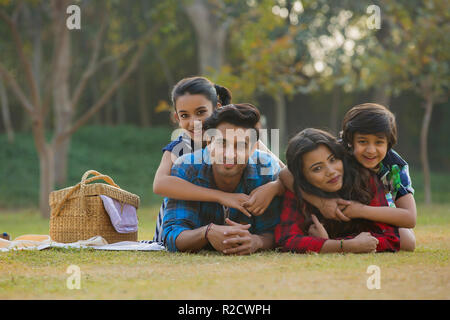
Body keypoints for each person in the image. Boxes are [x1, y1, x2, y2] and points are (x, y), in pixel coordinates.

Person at [152, 76, 284, 243]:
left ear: (217, 109)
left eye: (201, 112)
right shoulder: (181, 146)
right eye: (185, 115)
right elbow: (160, 184)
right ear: (177, 118)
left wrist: (274, 187)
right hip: (182, 219)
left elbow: (284, 171)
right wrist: (220, 196)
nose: (194, 122)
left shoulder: (243, 138)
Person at [275, 128, 401, 253]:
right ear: (302, 176)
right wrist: (345, 245)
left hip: (391, 216)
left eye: (333, 160)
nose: (331, 171)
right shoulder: (298, 191)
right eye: (317, 168)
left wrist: (329, 243)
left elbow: (391, 239)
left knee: (408, 241)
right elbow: (287, 240)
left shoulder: (362, 178)